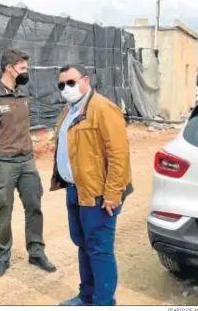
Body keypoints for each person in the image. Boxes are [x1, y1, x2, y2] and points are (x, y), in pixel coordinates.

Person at [50, 64, 133, 306]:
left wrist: (112, 193)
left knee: (99, 250)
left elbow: (119, 154)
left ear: (85, 80)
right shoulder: (70, 110)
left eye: (71, 82)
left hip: (99, 195)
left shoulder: (103, 108)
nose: (66, 88)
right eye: (61, 85)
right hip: (76, 190)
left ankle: (103, 302)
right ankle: (86, 295)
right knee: (83, 244)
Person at [0, 48, 56, 278]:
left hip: (27, 161)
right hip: (2, 164)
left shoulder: (22, 94)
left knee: (34, 207)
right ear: (9, 68)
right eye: (22, 68)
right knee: (4, 210)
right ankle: (3, 257)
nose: (25, 72)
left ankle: (36, 252)